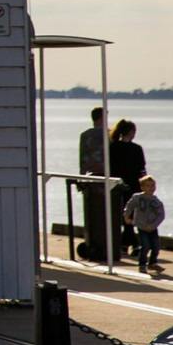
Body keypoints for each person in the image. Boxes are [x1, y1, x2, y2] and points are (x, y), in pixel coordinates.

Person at [108, 119, 147, 262]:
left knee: (124, 214)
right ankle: (134, 244)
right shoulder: (137, 149)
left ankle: (125, 243)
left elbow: (111, 167)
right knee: (132, 214)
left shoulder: (112, 148)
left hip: (118, 185)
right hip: (134, 185)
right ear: (130, 132)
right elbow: (142, 169)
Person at [77, 107, 108, 261]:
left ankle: (94, 242)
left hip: (89, 177)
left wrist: (81, 177)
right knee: (105, 213)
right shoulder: (107, 135)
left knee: (92, 213)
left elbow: (82, 157)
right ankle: (106, 244)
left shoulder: (85, 135)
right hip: (105, 176)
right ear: (101, 118)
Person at [124, 176, 167, 276]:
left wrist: (154, 225)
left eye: (152, 186)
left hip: (152, 227)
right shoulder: (138, 198)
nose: (151, 188)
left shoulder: (156, 201)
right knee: (146, 246)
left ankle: (152, 263)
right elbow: (129, 206)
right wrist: (126, 217)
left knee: (156, 246)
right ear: (142, 187)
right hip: (142, 226)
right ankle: (142, 264)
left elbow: (161, 215)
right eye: (148, 186)